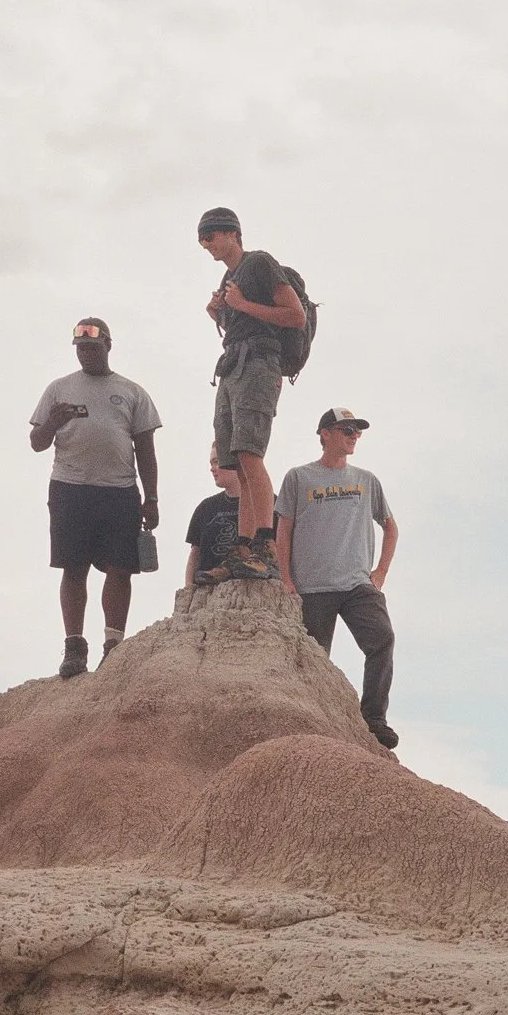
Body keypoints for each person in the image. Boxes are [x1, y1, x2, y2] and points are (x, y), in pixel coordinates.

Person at [29, 317, 162, 676]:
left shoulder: (131, 391)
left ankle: (113, 645)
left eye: (92, 347)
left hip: (119, 490)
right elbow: (36, 443)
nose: (86, 354)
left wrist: (151, 498)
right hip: (70, 488)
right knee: (73, 567)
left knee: (121, 569)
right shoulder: (59, 388)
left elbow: (146, 448)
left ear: (108, 345)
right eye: (81, 348)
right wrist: (54, 422)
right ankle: (74, 645)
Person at [274, 409, 400, 749]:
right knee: (314, 658)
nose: (354, 435)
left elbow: (390, 526)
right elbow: (282, 530)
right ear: (325, 434)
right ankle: (311, 720)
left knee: (382, 639)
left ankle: (373, 718)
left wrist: (381, 572)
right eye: (347, 429)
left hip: (358, 584)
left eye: (357, 431)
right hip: (313, 587)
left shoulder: (366, 480)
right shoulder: (299, 478)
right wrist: (285, 578)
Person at [196, 206, 307, 582]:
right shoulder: (231, 277)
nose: (206, 244)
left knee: (250, 453)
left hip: (258, 364)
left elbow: (295, 316)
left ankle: (265, 545)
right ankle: (242, 549)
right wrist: (220, 314)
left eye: (210, 236)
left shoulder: (258, 263)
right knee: (236, 462)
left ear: (232, 233)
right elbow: (240, 320)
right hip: (232, 366)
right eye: (202, 239)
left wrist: (241, 305)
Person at [185, 446, 243, 586]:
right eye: (211, 463)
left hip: (249, 589)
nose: (212, 469)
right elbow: (195, 554)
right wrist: (187, 589)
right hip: (207, 592)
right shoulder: (206, 507)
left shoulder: (267, 504)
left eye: (217, 462)